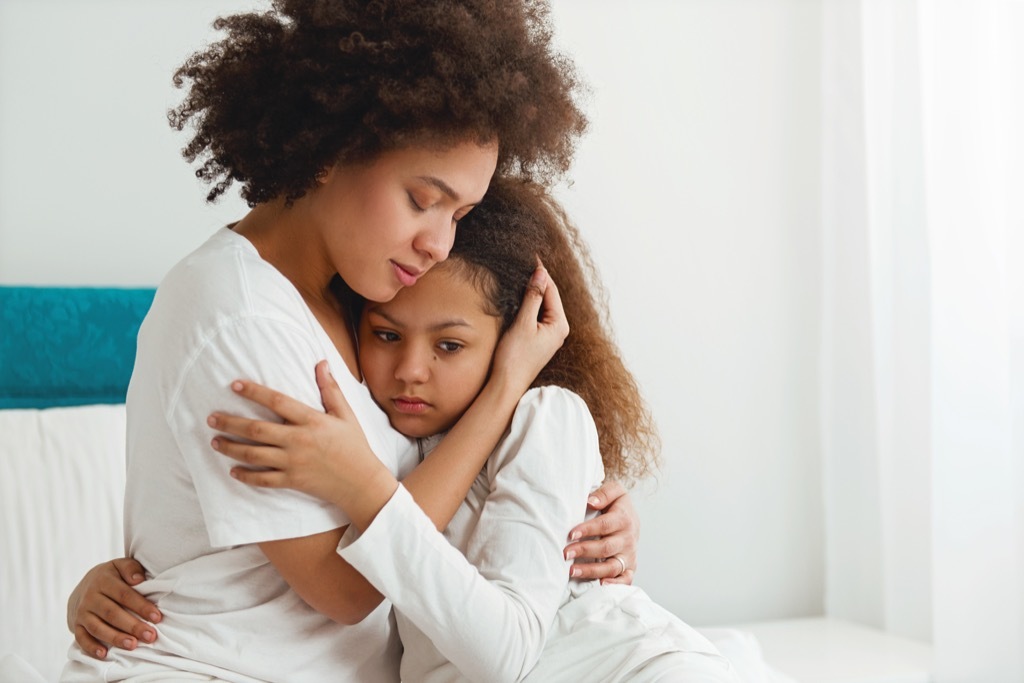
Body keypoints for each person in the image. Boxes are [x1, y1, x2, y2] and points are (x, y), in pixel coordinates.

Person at [62, 2, 640, 681]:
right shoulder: (238, 314)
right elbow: (349, 586)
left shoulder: (362, 306)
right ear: (333, 146)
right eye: (422, 199)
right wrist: (507, 388)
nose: (439, 241)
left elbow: (428, 494)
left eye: (459, 213)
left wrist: (576, 515)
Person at [204, 177, 742, 682]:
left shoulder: (545, 416)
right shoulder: (375, 437)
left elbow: (503, 654)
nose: (412, 369)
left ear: (512, 341)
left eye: (450, 346)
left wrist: (363, 489)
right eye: (387, 335)